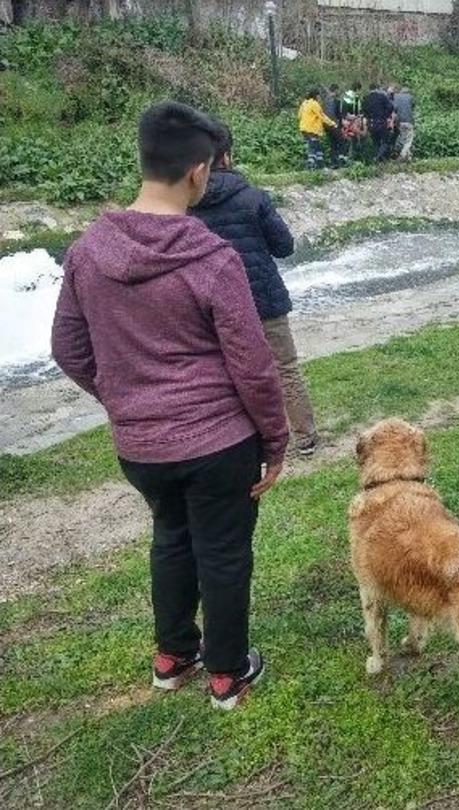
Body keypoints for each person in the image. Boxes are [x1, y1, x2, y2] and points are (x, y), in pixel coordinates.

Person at [51, 101, 288, 710]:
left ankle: (173, 654)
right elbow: (252, 362)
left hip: (142, 446)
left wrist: (124, 399)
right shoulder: (210, 258)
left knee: (172, 538)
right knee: (224, 551)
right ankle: (227, 673)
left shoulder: (85, 252)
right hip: (218, 444)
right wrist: (276, 440)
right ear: (199, 172)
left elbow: (69, 349)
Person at [190, 124, 319, 457]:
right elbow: (284, 247)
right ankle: (304, 438)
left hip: (215, 306)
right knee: (285, 368)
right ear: (228, 156)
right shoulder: (254, 197)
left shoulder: (186, 207)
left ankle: (244, 442)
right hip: (265, 298)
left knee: (231, 373)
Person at [298, 88, 336, 169]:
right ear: (316, 95)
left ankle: (320, 165)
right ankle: (311, 166)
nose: (320, 98)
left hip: (304, 128)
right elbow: (322, 116)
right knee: (313, 146)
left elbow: (299, 115)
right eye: (319, 96)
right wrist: (332, 123)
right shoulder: (314, 104)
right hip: (311, 129)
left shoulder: (304, 103)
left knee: (317, 146)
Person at [362, 83, 395, 163]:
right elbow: (390, 107)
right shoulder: (382, 97)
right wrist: (386, 115)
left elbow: (364, 112)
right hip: (380, 122)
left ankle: (379, 160)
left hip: (370, 123)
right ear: (377, 89)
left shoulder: (365, 99)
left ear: (369, 89)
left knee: (376, 142)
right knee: (385, 141)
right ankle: (377, 157)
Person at [323, 84, 348, 166]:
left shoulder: (325, 101)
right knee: (341, 141)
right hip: (334, 125)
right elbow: (338, 115)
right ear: (336, 90)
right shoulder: (336, 101)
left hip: (326, 126)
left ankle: (333, 162)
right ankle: (341, 161)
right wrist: (341, 125)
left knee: (333, 143)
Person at [393, 84, 416, 162]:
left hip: (399, 121)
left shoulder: (396, 97)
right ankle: (402, 155)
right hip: (409, 121)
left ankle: (409, 157)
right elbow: (413, 107)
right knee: (409, 140)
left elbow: (395, 108)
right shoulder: (410, 97)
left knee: (403, 138)